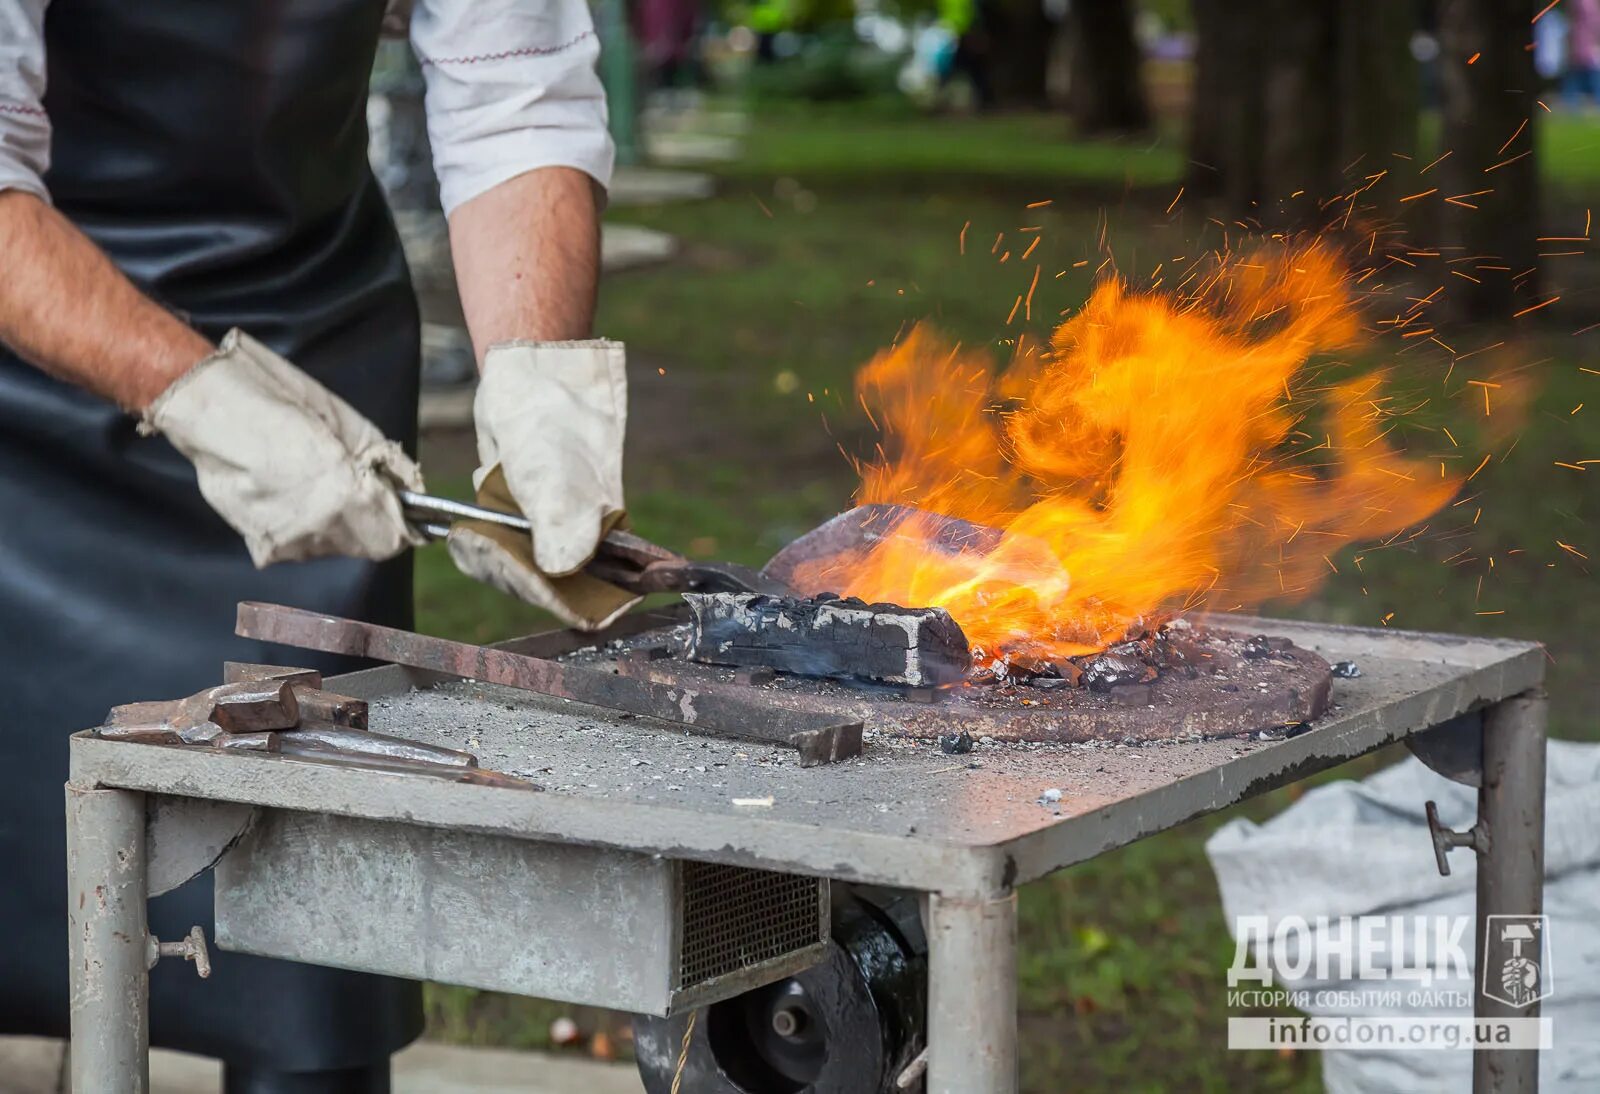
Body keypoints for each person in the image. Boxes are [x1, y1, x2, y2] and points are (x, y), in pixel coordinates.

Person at [0, 0, 629, 1089]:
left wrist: (539, 380)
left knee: (304, 916)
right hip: (23, 360)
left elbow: (516, 99)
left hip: (307, 320)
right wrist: (195, 396)